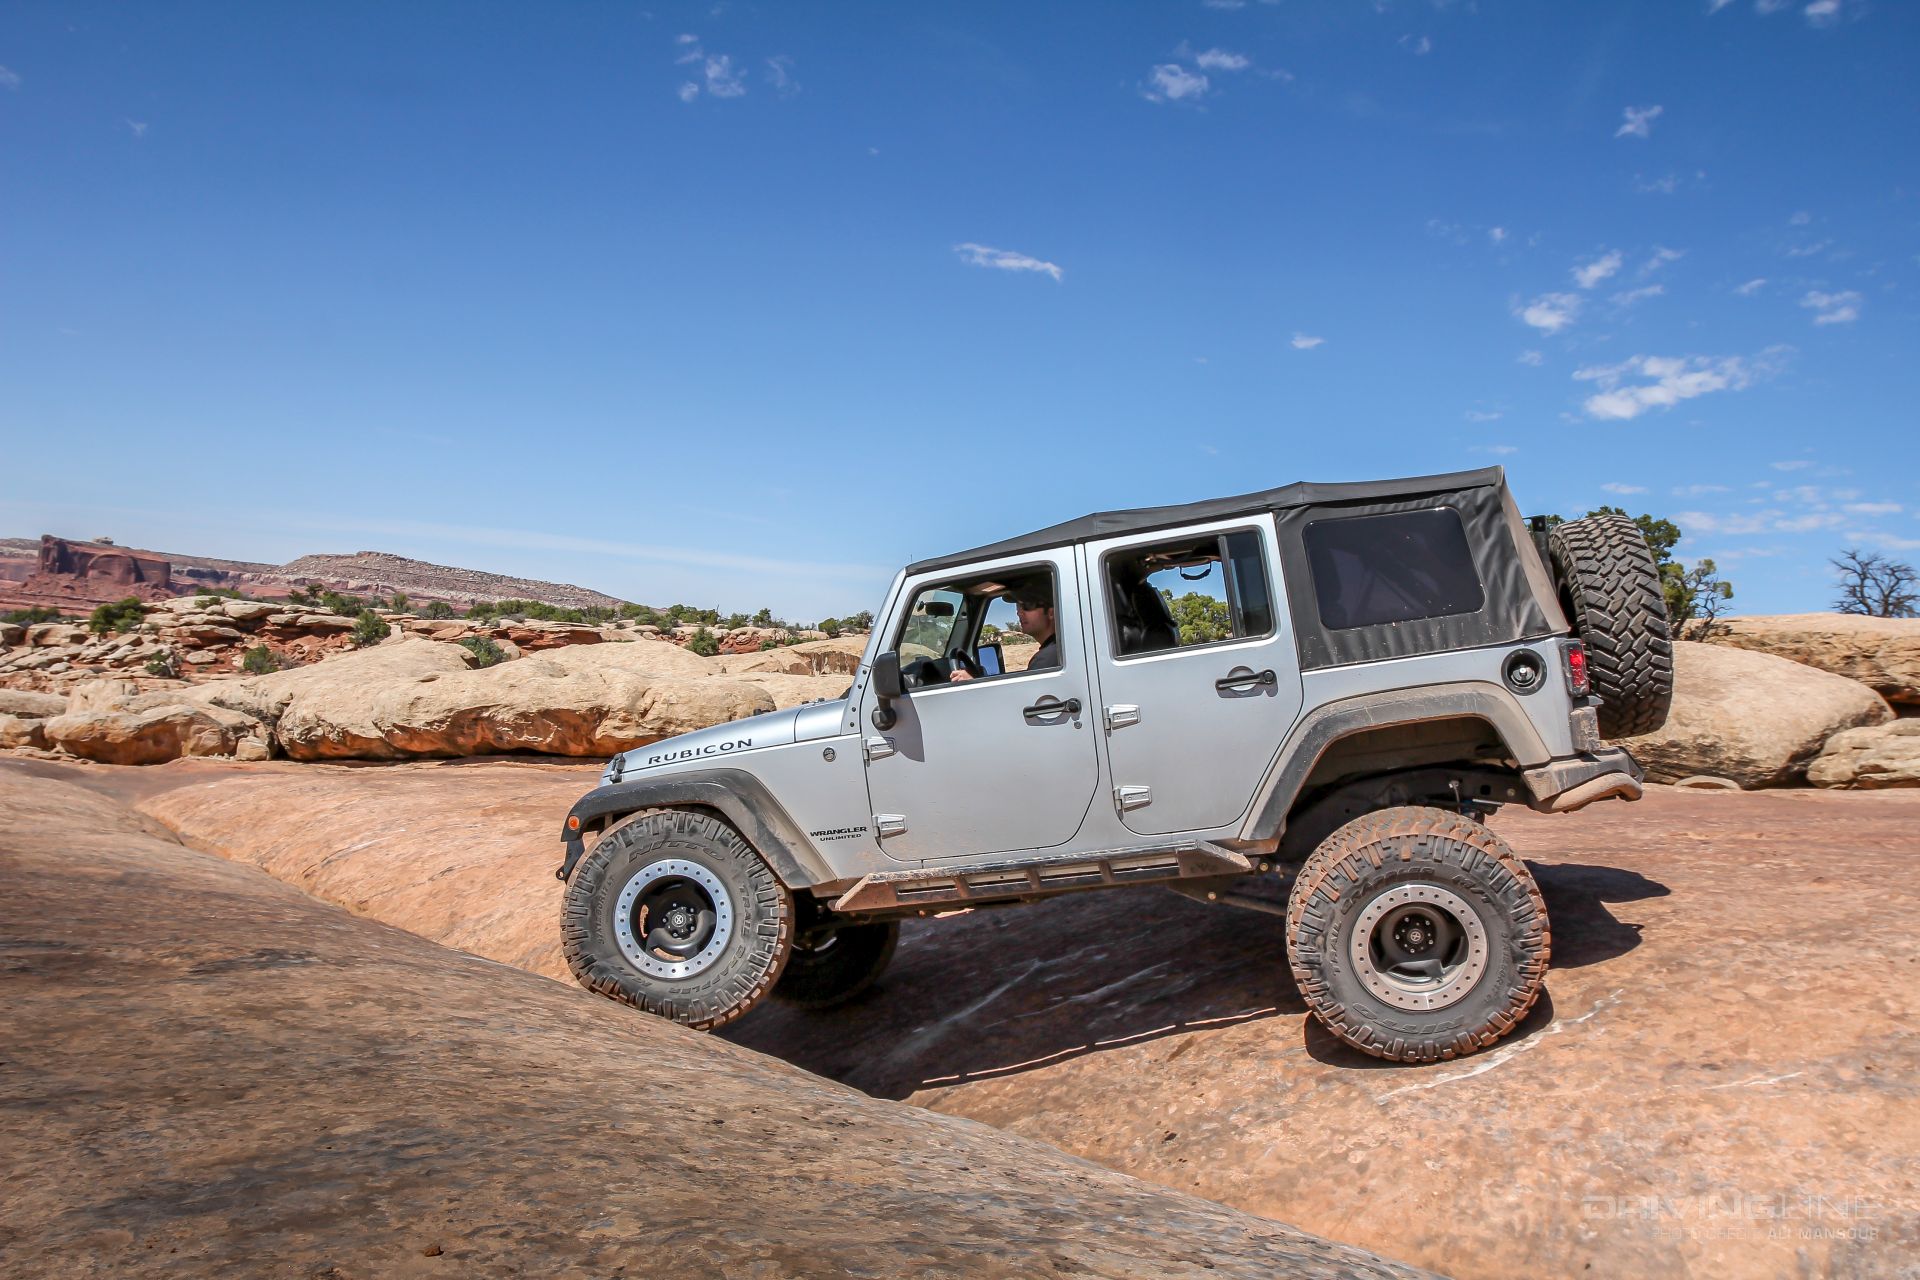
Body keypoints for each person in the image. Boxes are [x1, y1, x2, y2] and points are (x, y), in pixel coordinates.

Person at [950, 579, 1057, 681]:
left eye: (1027, 605)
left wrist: (972, 683)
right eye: (1018, 606)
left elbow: (1024, 699)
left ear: (1051, 612)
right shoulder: (1055, 652)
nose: (1019, 613)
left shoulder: (1046, 660)